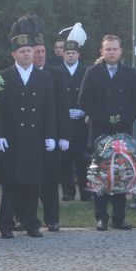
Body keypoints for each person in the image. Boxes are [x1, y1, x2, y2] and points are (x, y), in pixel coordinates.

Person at [0, 21, 56, 239]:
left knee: (32, 184)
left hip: (34, 137)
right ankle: (6, 224)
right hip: (11, 137)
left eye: (29, 50)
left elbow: (49, 108)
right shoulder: (3, 76)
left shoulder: (44, 77)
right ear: (14, 54)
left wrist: (51, 135)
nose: (27, 54)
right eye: (22, 51)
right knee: (10, 184)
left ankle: (32, 224)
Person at [79, 35, 136, 231]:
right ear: (102, 51)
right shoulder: (92, 72)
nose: (111, 52)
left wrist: (125, 118)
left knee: (121, 173)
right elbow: (84, 99)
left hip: (122, 130)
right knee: (100, 174)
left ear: (121, 51)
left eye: (115, 49)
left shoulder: (130, 73)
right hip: (100, 130)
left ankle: (119, 217)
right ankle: (101, 217)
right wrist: (102, 117)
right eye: (108, 49)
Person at [28, 15, 71, 231]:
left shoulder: (56, 74)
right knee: (27, 179)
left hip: (50, 134)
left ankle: (52, 218)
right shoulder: (22, 73)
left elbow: (62, 107)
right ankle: (25, 217)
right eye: (36, 52)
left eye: (43, 51)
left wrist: (63, 135)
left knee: (50, 180)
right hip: (28, 134)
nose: (40, 55)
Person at [60, 28, 91, 201]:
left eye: (73, 53)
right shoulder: (57, 72)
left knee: (82, 159)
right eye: (67, 53)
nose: (70, 55)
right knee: (64, 159)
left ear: (78, 54)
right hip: (64, 122)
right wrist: (63, 112)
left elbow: (91, 96)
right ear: (63, 55)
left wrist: (84, 111)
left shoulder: (87, 71)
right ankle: (68, 191)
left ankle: (85, 192)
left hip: (81, 122)